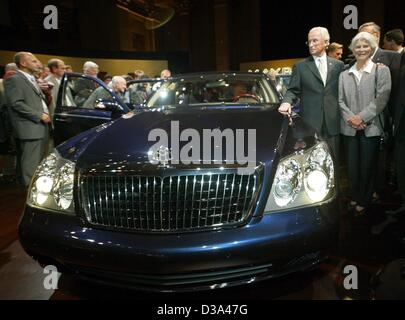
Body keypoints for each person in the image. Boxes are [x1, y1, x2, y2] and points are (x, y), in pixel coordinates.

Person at [339, 32, 391, 216]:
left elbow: (382, 98)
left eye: (365, 46)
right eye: (358, 46)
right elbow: (340, 101)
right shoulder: (344, 74)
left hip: (371, 127)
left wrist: (361, 117)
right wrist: (351, 118)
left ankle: (364, 200)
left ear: (371, 48)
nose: (361, 49)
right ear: (352, 49)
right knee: (352, 167)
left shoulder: (381, 70)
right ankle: (354, 196)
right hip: (349, 128)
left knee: (367, 167)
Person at [279, 27, 344, 159]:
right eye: (309, 42)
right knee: (312, 163)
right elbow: (292, 90)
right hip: (310, 124)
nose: (311, 44)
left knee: (333, 161)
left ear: (326, 42)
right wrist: (286, 102)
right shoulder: (301, 66)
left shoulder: (338, 65)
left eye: (315, 41)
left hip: (333, 122)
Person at [4, 52, 52, 186]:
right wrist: (39, 115)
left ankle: (34, 190)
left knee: (37, 162)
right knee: (30, 163)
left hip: (39, 126)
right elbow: (16, 103)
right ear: (24, 63)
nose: (38, 63)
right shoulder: (15, 79)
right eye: (34, 61)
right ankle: (31, 193)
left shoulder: (30, 78)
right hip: (30, 126)